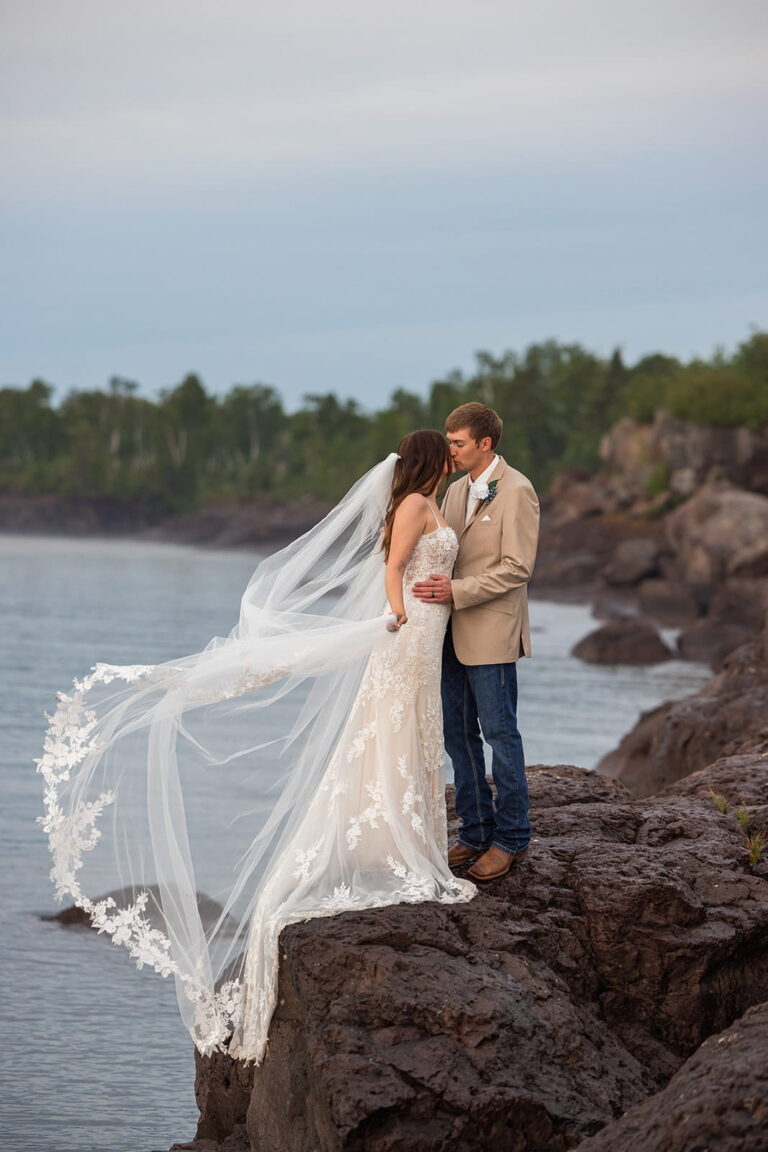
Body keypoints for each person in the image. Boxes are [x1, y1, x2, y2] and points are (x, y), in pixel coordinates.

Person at [36, 429, 475, 1067]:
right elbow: (393, 566)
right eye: (447, 452)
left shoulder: (431, 500)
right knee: (390, 728)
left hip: (428, 627)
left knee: (413, 731)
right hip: (408, 629)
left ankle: (401, 838)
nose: (451, 459)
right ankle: (391, 845)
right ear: (433, 460)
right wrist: (398, 615)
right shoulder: (413, 505)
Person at [412, 403, 540, 882]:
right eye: (449, 442)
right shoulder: (454, 490)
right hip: (445, 631)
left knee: (500, 735)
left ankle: (510, 839)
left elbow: (517, 567)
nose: (451, 451)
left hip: (490, 630)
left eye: (458, 443)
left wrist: (457, 592)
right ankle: (473, 831)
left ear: (485, 443)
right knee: (456, 735)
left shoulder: (519, 490)